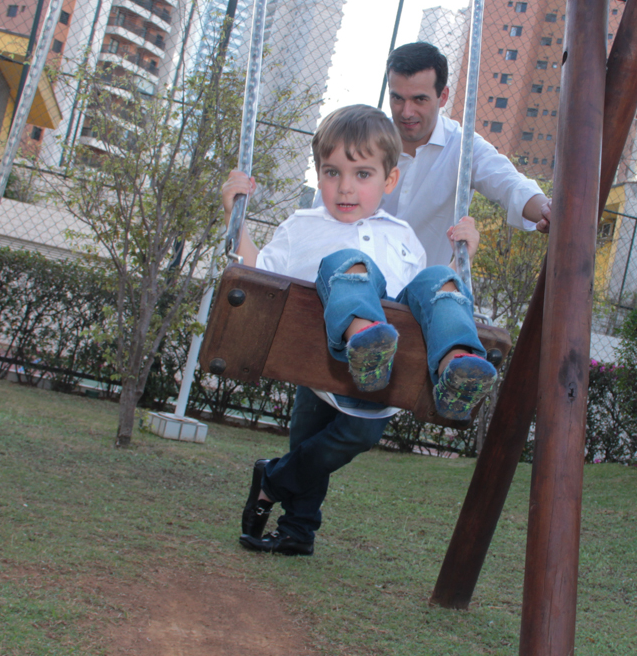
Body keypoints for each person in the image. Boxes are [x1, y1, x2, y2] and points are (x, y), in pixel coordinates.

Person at [220, 104, 498, 556]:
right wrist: (236, 218)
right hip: (322, 355)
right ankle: (298, 528)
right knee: (350, 265)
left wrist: (460, 260)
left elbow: (418, 302)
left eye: (362, 174)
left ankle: (454, 366)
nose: (345, 187)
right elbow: (257, 278)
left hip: (382, 375)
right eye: (332, 172)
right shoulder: (302, 226)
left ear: (389, 181)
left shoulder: (402, 234)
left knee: (435, 280)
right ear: (319, 172)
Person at [383, 41, 552, 265]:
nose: (406, 112)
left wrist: (548, 210)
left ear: (443, 97)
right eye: (397, 98)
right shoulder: (365, 140)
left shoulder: (463, 147)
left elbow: (510, 185)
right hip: (354, 281)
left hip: (421, 292)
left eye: (419, 99)